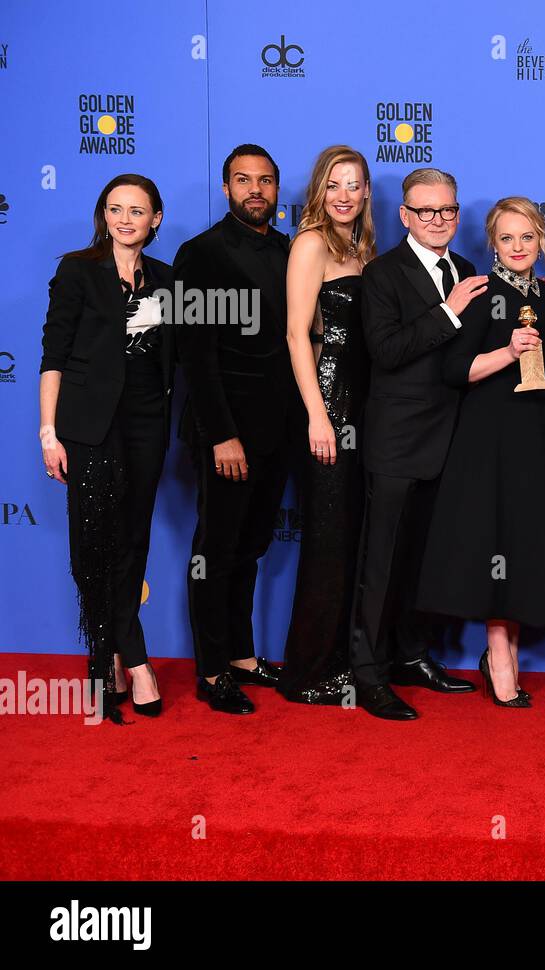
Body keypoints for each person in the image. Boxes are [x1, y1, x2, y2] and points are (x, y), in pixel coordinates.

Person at [420, 197, 545, 707]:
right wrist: (507, 352)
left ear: (541, 242)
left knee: (523, 545)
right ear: (492, 243)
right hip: (491, 438)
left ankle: (508, 648)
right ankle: (499, 654)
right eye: (507, 238)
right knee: (494, 541)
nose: (518, 247)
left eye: (527, 237)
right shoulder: (480, 293)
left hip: (541, 438)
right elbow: (454, 370)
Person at [348, 168, 486, 720]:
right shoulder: (382, 274)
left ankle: (411, 656)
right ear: (404, 215)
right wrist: (450, 309)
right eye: (425, 211)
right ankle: (368, 674)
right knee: (379, 563)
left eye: (447, 211)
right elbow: (386, 351)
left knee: (424, 560)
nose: (437, 220)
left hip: (450, 439)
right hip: (397, 439)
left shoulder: (468, 270)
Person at [39, 174, 173, 723]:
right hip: (88, 426)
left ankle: (119, 654)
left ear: (155, 220)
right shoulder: (78, 270)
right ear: (104, 215)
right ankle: (121, 659)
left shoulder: (166, 280)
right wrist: (48, 432)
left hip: (147, 421)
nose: (124, 219)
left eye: (136, 211)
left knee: (132, 539)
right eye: (115, 209)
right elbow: (53, 355)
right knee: (93, 542)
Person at [174, 144, 298, 715]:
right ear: (225, 188)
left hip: (278, 431)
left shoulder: (287, 248)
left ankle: (245, 657)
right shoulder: (199, 254)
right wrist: (221, 434)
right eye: (244, 180)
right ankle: (211, 669)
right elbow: (195, 357)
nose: (256, 189)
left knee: (251, 547)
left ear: (277, 190)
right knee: (216, 549)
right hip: (227, 432)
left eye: (266, 181)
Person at [279, 146, 375, 705]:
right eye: (334, 184)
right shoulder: (310, 243)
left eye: (354, 185)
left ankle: (344, 660)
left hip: (363, 405)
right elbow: (297, 335)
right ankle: (309, 673)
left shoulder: (364, 248)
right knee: (327, 541)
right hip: (328, 403)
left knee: (350, 541)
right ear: (320, 190)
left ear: (365, 193)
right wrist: (318, 414)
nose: (344, 195)